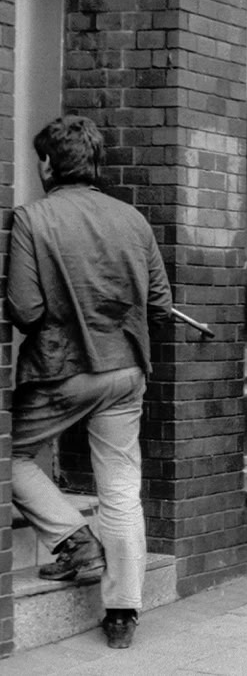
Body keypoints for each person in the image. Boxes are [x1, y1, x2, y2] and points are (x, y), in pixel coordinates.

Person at [6, 116, 174, 649]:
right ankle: (122, 613)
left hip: (62, 369)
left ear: (49, 164)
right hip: (125, 369)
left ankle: (74, 540)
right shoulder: (133, 220)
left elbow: (27, 310)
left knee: (11, 456)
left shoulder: (32, 219)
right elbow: (162, 305)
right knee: (121, 486)